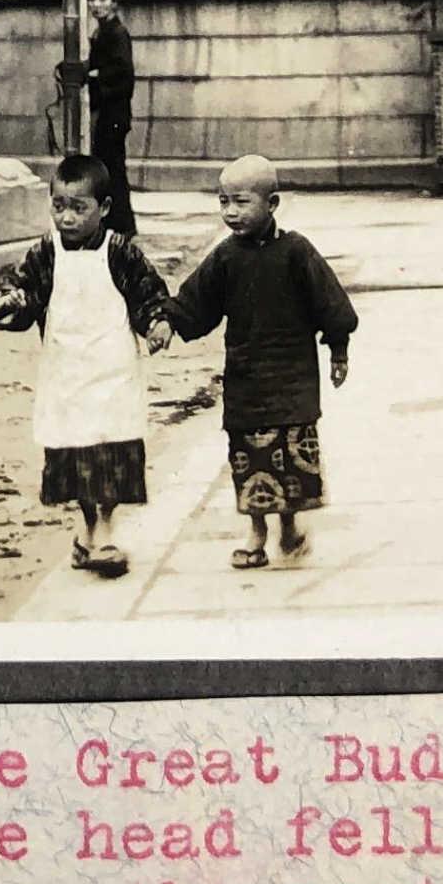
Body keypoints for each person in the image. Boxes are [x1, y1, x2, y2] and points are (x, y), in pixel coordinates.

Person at [150, 153, 359, 571]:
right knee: (250, 457)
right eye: (223, 201)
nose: (231, 212)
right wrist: (168, 322)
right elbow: (197, 301)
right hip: (246, 376)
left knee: (290, 455)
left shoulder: (297, 252)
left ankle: (289, 525)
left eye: (241, 202)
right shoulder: (226, 257)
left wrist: (338, 348)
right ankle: (257, 533)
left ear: (273, 203)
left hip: (292, 376)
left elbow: (329, 302)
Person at [0, 155, 170, 580]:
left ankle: (105, 531)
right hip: (66, 372)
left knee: (110, 451)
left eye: (78, 208)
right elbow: (21, 291)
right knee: (76, 453)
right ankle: (88, 531)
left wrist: (157, 323)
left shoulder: (120, 251)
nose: (66, 217)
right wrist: (6, 304)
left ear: (103, 208)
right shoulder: (45, 253)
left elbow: (148, 293)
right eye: (58, 206)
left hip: (112, 369)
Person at [75, 0, 138, 236]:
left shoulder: (116, 32)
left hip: (114, 112)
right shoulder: (102, 32)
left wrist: (95, 76)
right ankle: (115, 222)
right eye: (91, 0)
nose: (96, 5)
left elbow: (124, 73)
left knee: (112, 169)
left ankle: (122, 224)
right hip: (107, 112)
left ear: (113, 2)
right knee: (108, 167)